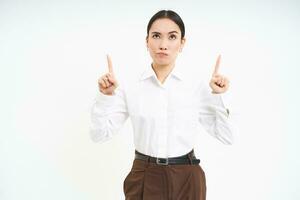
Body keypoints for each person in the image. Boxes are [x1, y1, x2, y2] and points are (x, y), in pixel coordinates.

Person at [90, 9, 234, 200]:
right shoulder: (131, 86)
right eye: (156, 36)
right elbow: (99, 135)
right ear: (146, 41)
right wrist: (106, 97)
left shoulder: (197, 86)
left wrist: (218, 95)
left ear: (182, 43)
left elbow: (227, 136)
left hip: (187, 177)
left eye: (172, 37)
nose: (163, 45)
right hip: (144, 175)